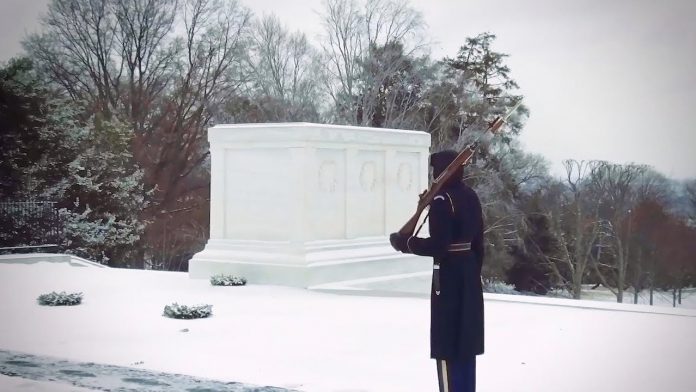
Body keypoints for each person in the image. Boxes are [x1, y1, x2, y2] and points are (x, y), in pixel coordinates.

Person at [390, 150, 485, 392]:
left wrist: (407, 244)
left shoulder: (443, 201)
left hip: (449, 278)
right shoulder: (470, 195)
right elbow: (479, 245)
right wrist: (472, 275)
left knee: (447, 344)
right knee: (464, 344)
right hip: (469, 276)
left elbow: (439, 246)